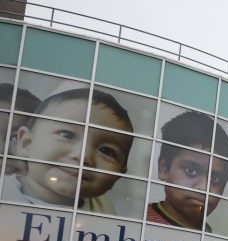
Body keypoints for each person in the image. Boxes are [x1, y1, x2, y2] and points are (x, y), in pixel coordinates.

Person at [4, 88, 134, 213]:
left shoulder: (103, 209)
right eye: (67, 135)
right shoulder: (4, 193)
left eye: (106, 151)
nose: (83, 156)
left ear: (118, 175)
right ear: (26, 143)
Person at [147, 111, 228, 230]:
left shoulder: (209, 236)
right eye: (191, 171)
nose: (203, 188)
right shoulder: (141, 221)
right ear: (164, 169)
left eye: (215, 179)